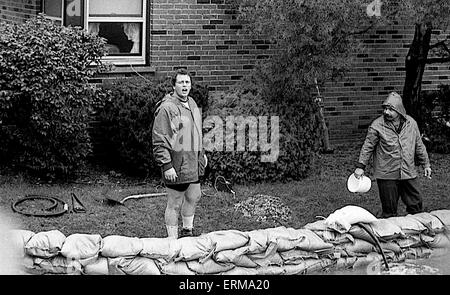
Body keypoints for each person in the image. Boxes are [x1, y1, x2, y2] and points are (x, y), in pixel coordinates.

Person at [354, 92, 432, 218]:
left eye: (391, 109)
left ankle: (417, 232)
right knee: (389, 211)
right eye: (385, 108)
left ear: (399, 110)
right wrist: (360, 166)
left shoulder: (411, 123)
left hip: (408, 171)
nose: (386, 112)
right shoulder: (377, 125)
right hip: (387, 173)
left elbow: (419, 145)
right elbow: (368, 146)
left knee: (416, 206)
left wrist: (426, 164)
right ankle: (391, 234)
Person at [152, 68, 207, 239]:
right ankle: (172, 240)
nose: (184, 85)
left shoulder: (191, 103)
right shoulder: (166, 108)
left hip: (193, 162)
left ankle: (187, 232)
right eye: (181, 82)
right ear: (174, 85)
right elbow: (159, 139)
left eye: (187, 82)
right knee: (174, 203)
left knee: (194, 196)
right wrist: (167, 165)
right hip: (176, 164)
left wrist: (201, 153)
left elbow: (197, 132)